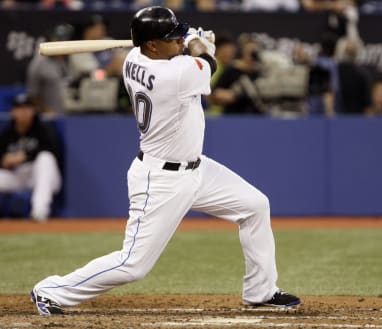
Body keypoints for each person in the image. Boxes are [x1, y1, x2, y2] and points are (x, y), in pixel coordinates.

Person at [30, 6, 300, 315]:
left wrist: (193, 41)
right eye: (172, 38)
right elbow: (207, 64)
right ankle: (50, 290)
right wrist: (200, 42)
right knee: (133, 265)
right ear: (153, 45)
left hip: (197, 169)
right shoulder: (171, 74)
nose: (179, 42)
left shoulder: (135, 59)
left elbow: (192, 57)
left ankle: (261, 291)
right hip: (161, 180)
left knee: (255, 206)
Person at [0, 93, 62, 221]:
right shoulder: (7, 134)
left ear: (33, 110)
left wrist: (25, 157)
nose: (23, 112)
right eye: (20, 108)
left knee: (45, 158)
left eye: (27, 108)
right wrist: (4, 161)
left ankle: (39, 211)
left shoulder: (42, 129)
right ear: (13, 111)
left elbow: (52, 150)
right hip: (16, 176)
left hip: (40, 176)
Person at [211, 35, 265, 114]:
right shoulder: (232, 70)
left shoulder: (263, 72)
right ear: (243, 53)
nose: (253, 57)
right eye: (251, 53)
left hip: (260, 118)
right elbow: (214, 93)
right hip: (233, 117)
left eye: (256, 53)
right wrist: (231, 94)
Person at [26, 23, 74, 113]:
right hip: (48, 118)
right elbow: (32, 95)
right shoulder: (39, 63)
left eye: (64, 40)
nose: (61, 44)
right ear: (49, 40)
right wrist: (46, 111)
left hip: (68, 116)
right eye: (58, 40)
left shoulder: (64, 60)